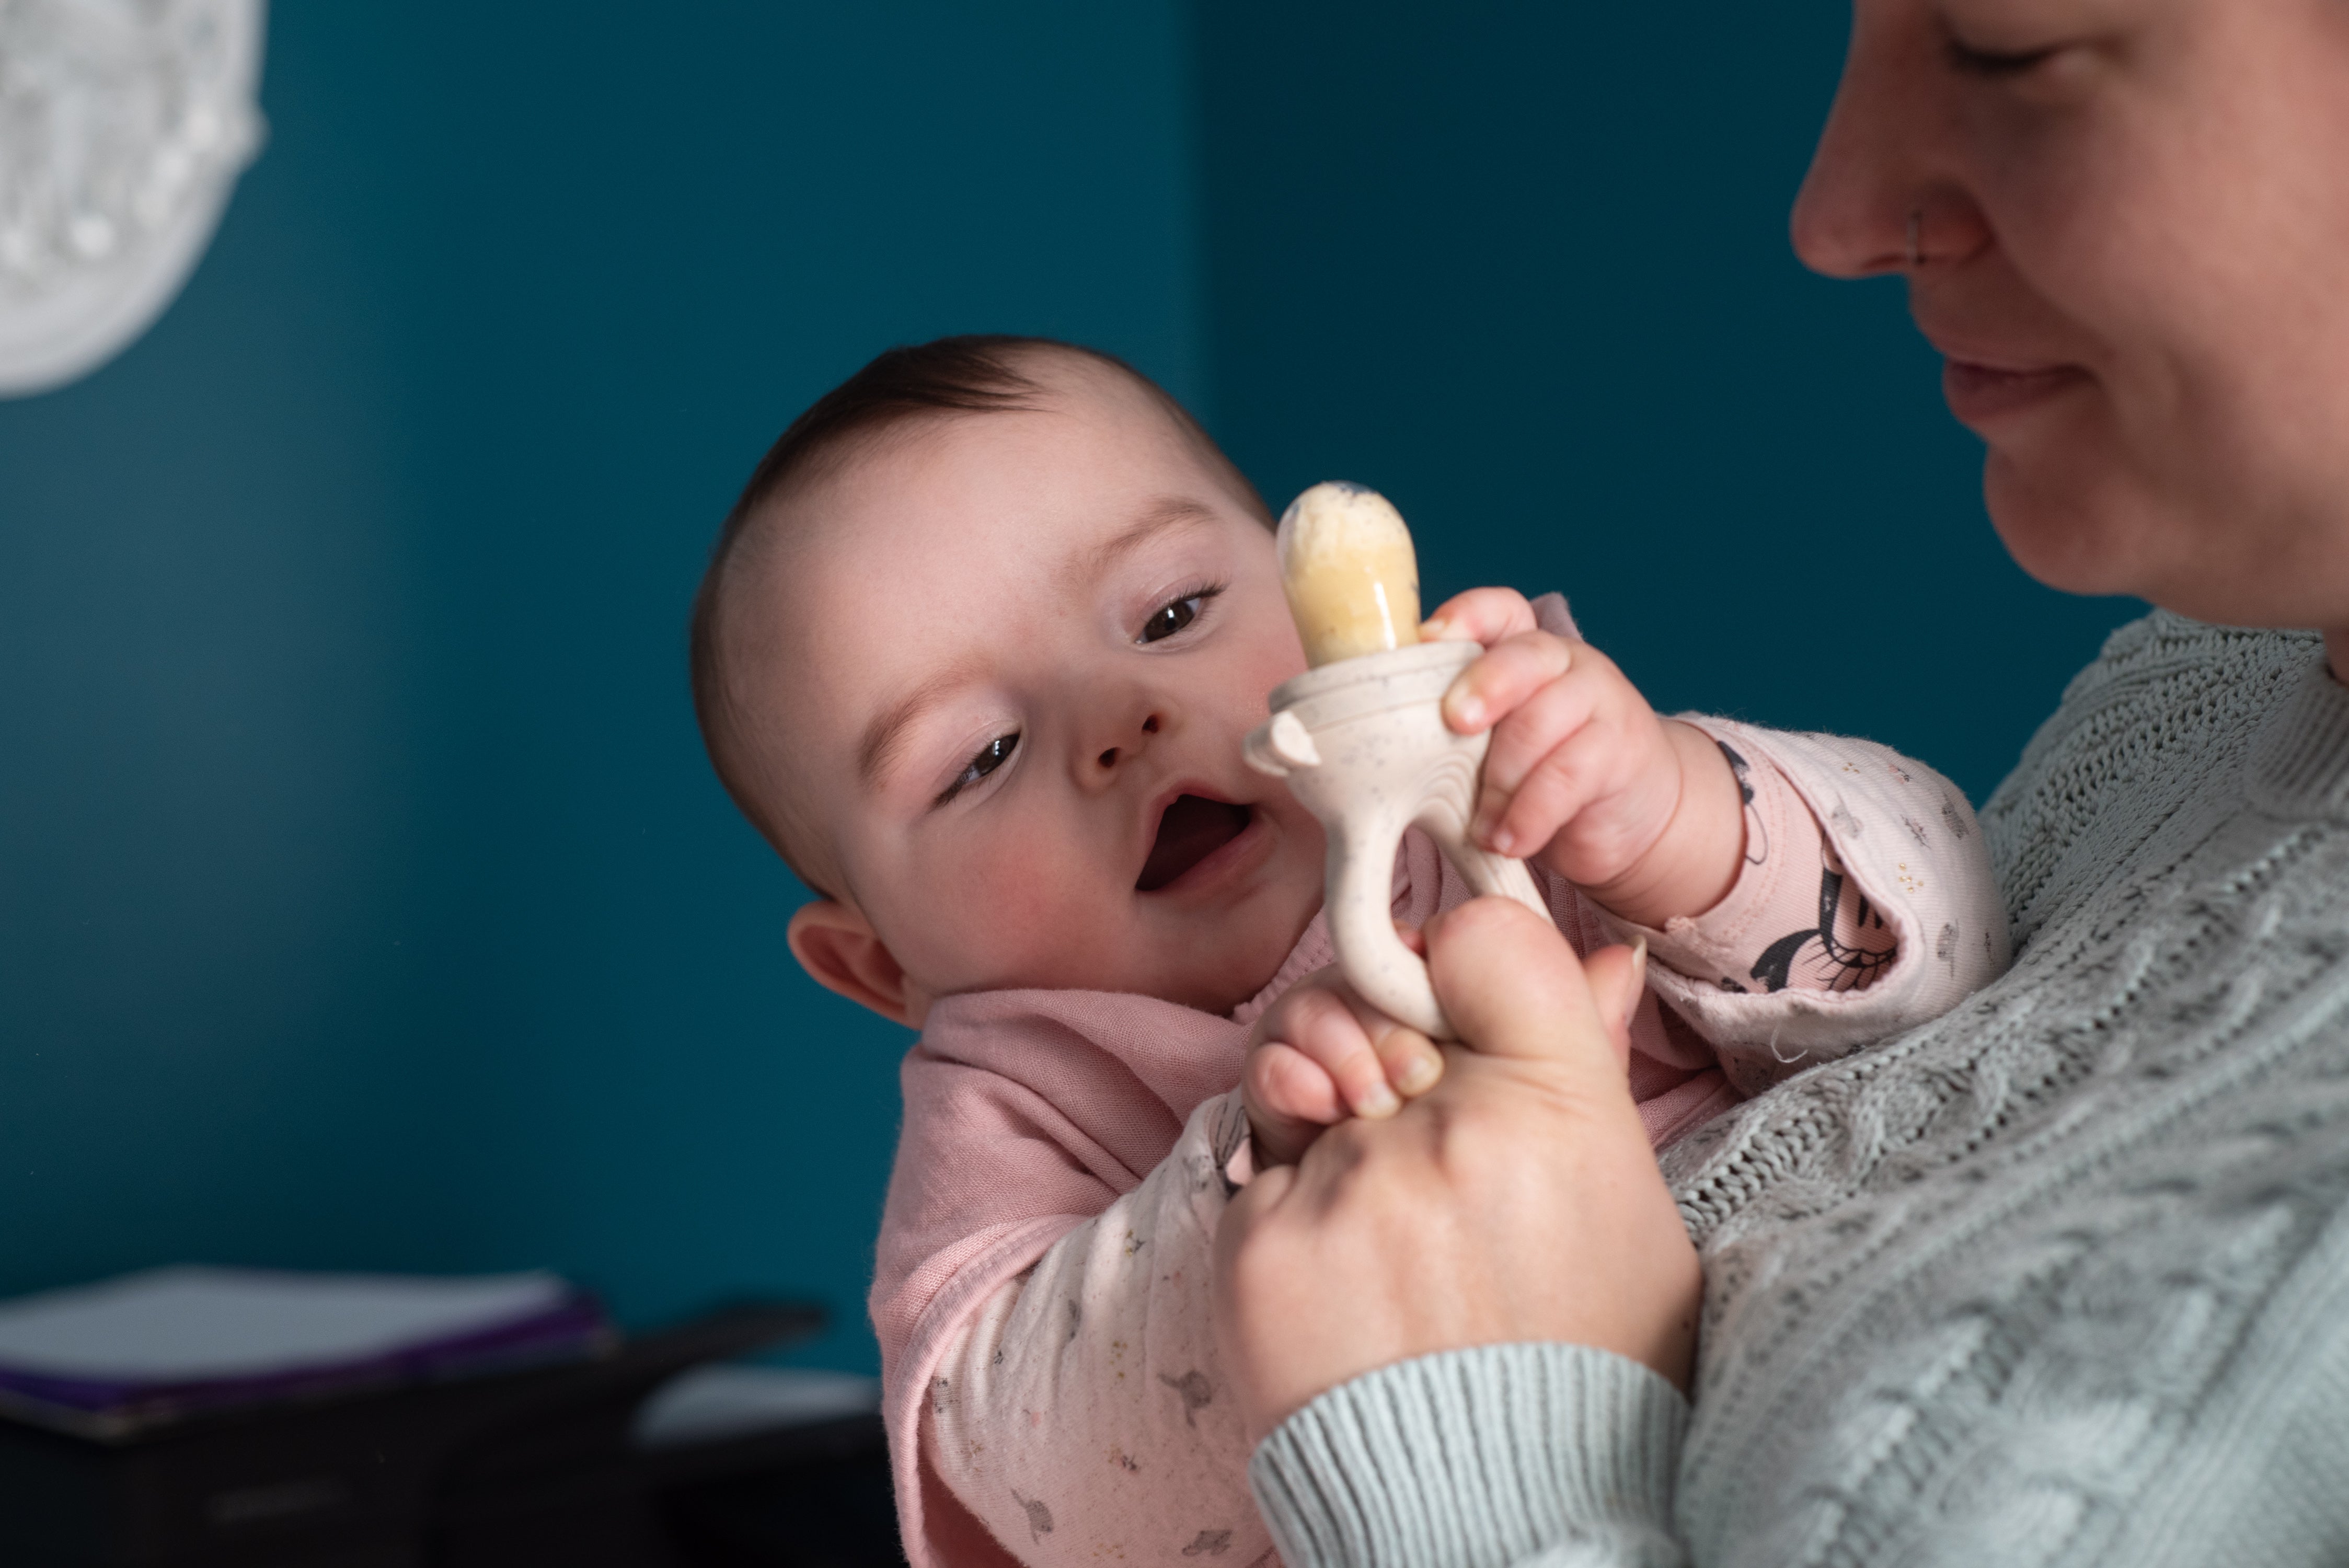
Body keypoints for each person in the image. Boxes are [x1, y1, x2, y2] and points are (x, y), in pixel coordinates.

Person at [1213, 2, 2349, 1564]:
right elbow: (1909, 999)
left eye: (2005, 41)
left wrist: (1463, 1452)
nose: (1827, 218)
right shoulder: (2206, 685)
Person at [684, 334, 2010, 1567]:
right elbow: (1043, 1495)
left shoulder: (1519, 779)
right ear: (880, 969)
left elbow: (1950, 935)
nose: (1122, 720)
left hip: (1850, 1408)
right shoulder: (1017, 1099)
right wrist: (1274, 1173)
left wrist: (1684, 821)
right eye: (979, 757)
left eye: (1172, 614)